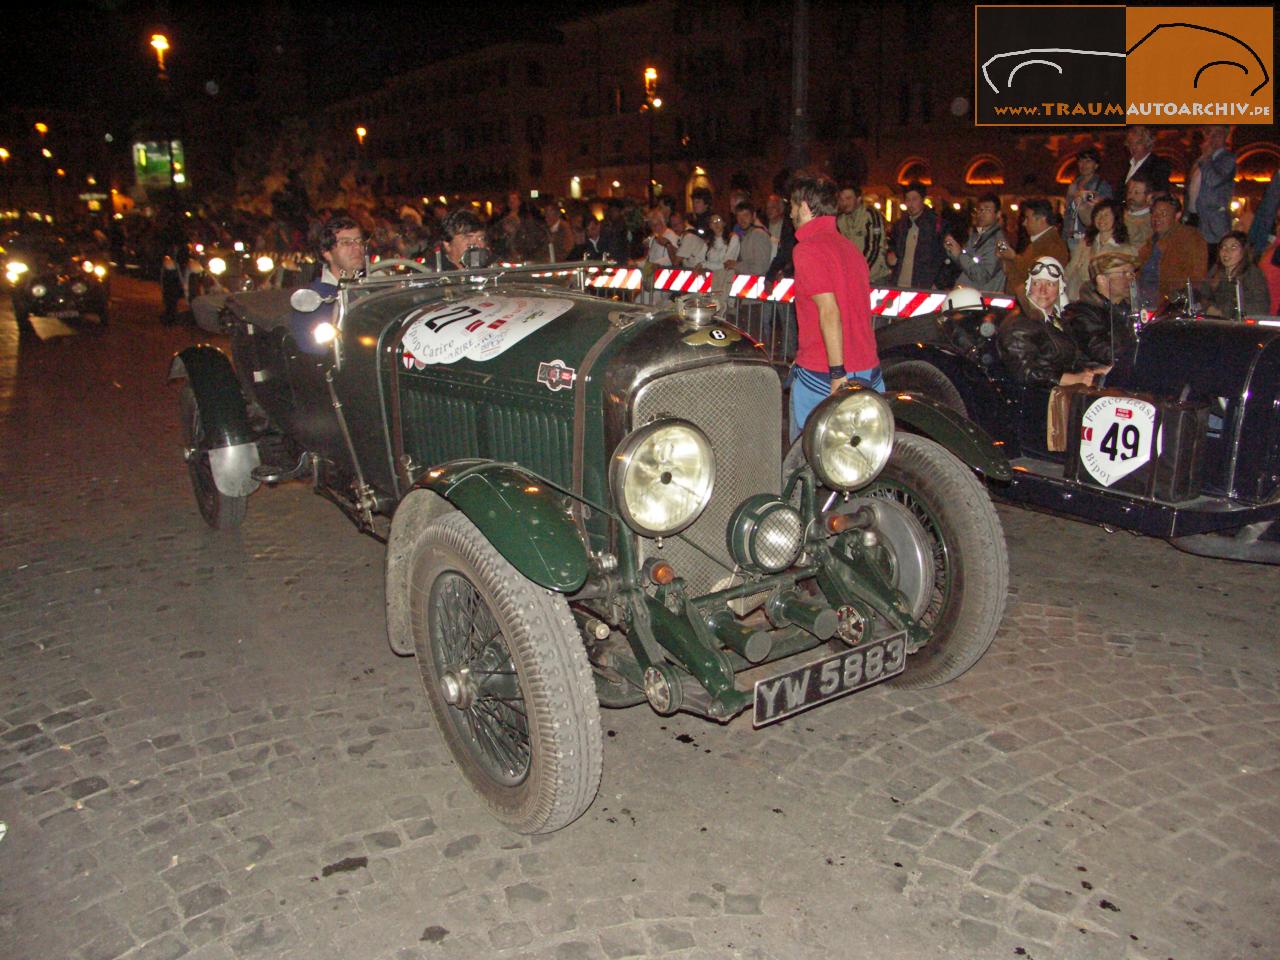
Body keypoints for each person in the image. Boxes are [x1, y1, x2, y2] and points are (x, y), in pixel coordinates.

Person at [787, 173, 881, 442]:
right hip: (867, 370)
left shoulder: (807, 249)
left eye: (792, 206)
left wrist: (837, 374)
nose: (790, 213)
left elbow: (829, 312)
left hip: (825, 375)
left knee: (807, 457)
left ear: (804, 207)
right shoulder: (851, 249)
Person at [997, 256, 1096, 386]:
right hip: (1038, 398)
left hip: (1063, 391)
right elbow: (1026, 372)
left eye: (1050, 284)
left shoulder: (1058, 319)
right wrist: (1072, 379)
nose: (1042, 291)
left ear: (1060, 289)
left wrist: (1094, 371)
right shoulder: (1018, 325)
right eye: (1037, 283)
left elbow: (1074, 355)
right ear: (1029, 286)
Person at [289, 216, 364, 354]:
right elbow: (310, 347)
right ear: (327, 253)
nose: (357, 248)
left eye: (359, 241)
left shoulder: (377, 285)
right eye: (346, 243)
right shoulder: (313, 298)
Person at [1137, 194, 1207, 306]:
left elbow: (1196, 278)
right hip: (1145, 303)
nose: (1156, 218)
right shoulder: (1150, 244)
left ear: (1177, 215)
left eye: (1163, 214)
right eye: (1154, 213)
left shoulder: (1190, 237)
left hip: (1171, 305)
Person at [998, 198, 1069, 305]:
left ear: (1041, 219)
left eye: (1027, 218)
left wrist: (1014, 257)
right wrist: (1006, 259)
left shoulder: (1053, 245)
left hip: (1033, 307)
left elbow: (1040, 273)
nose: (1024, 223)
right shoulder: (1038, 242)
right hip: (1023, 302)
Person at [1064, 198, 1136, 301]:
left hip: (1108, 303)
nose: (1101, 219)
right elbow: (1070, 268)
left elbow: (1129, 285)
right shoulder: (1085, 243)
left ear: (1116, 217)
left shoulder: (1125, 249)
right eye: (1098, 215)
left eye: (1106, 215)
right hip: (1078, 298)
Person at [1186, 125, 1236, 265]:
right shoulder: (1202, 159)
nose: (1213, 138)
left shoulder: (1227, 158)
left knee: (1210, 262)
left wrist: (1207, 158)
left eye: (1218, 134)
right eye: (1210, 133)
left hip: (1213, 223)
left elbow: (1213, 180)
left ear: (1225, 136)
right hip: (1195, 218)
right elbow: (1190, 187)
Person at [942, 192, 1006, 292]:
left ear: (998, 214)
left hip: (981, 299)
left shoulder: (997, 241)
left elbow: (982, 276)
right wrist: (953, 251)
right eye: (980, 210)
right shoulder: (978, 236)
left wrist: (959, 254)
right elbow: (967, 265)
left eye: (988, 210)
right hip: (970, 295)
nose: (982, 214)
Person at [887, 181, 944, 289]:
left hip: (924, 286)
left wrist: (938, 282)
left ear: (923, 200)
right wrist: (890, 254)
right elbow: (891, 246)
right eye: (908, 200)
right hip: (899, 284)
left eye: (914, 199)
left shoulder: (936, 225)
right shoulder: (900, 226)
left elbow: (943, 257)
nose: (911, 204)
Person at [1201, 231, 1270, 319]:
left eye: (1233, 247)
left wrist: (1224, 313)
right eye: (1223, 247)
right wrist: (1208, 308)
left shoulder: (1253, 275)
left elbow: (1260, 307)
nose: (1226, 251)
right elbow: (1202, 294)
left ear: (1244, 251)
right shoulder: (1216, 271)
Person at [835, 184, 890, 284]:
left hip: (875, 277)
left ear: (858, 199)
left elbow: (875, 248)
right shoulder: (840, 220)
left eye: (848, 198)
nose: (844, 202)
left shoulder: (870, 215)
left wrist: (858, 273)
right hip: (853, 277)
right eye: (841, 199)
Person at [1062, 147, 1113, 252]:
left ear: (1096, 165)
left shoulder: (1101, 186)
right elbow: (1068, 213)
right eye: (1081, 161)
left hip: (1089, 236)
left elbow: (1108, 209)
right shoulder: (1073, 185)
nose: (1083, 165)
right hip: (1072, 236)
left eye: (1088, 161)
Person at [1123, 126, 1171, 194]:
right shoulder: (1126, 165)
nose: (1133, 147)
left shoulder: (1158, 164)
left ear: (1148, 143)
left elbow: (1160, 192)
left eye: (1138, 143)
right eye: (1130, 143)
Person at [733, 201, 773, 277]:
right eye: (739, 216)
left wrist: (736, 265)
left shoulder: (758, 235)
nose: (742, 220)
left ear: (753, 216)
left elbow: (760, 268)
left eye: (745, 215)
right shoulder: (746, 236)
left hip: (757, 283)